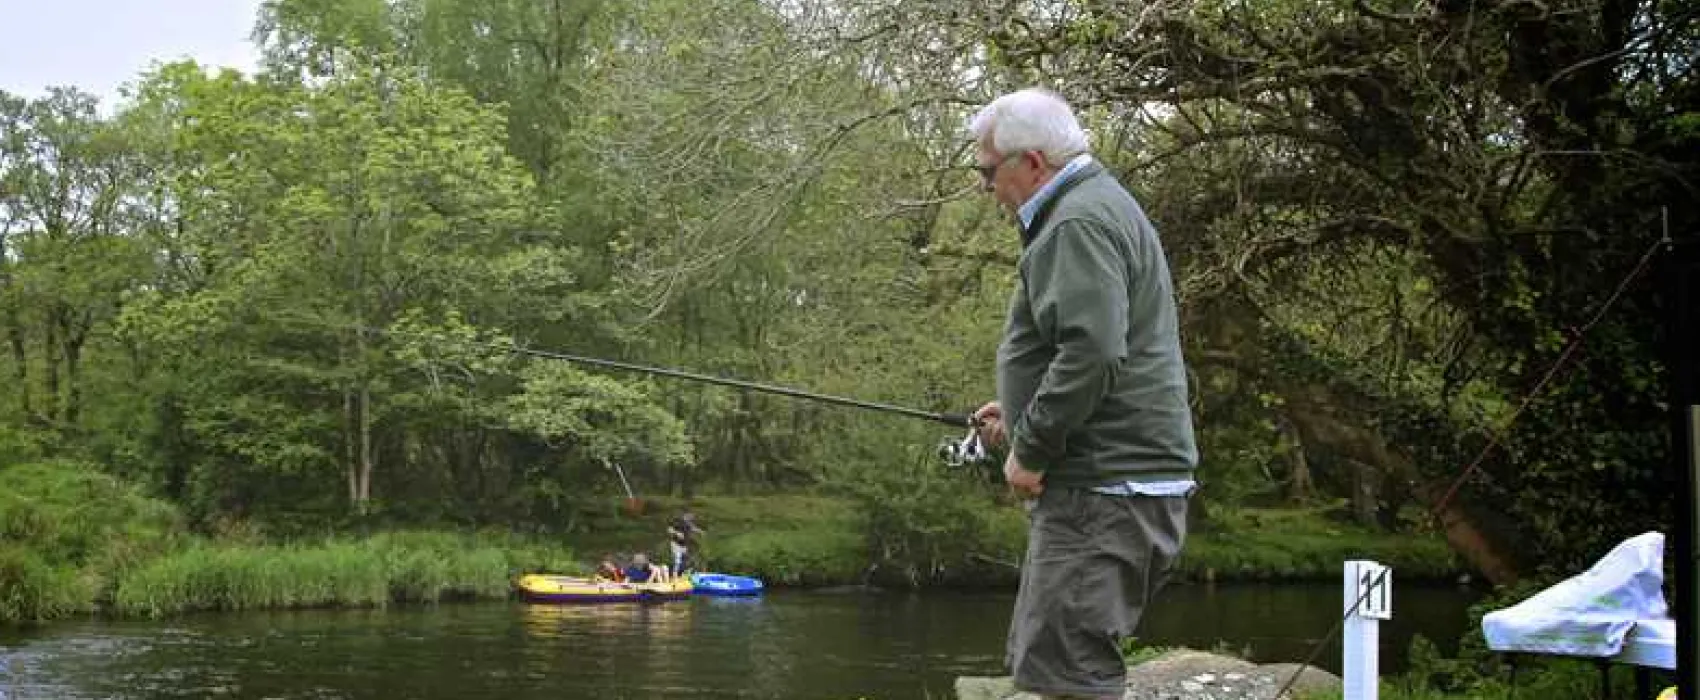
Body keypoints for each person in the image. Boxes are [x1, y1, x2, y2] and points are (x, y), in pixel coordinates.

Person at [967, 88, 1198, 700]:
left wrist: (1033, 449)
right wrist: (1017, 418)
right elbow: (1087, 348)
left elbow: (1094, 353)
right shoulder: (1094, 205)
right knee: (1059, 666)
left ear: (1033, 163)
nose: (985, 187)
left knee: (1067, 678)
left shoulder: (1076, 221)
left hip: (1102, 493)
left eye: (988, 172)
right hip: (1113, 487)